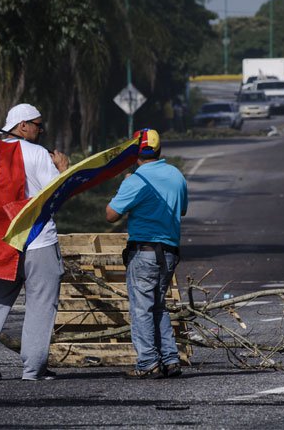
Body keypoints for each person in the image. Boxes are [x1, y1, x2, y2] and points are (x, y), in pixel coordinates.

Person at [0, 103, 69, 382]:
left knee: (0, 300)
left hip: (7, 243)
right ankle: (33, 367)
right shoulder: (38, 154)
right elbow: (54, 196)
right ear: (23, 125)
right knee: (41, 303)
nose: (42, 130)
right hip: (39, 241)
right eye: (38, 125)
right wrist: (64, 170)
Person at [105, 128, 188, 379]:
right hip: (170, 253)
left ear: (135, 154)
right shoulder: (176, 175)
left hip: (145, 252)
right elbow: (181, 210)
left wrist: (124, 185)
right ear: (160, 151)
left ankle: (148, 362)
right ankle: (171, 359)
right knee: (158, 306)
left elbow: (110, 215)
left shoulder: (136, 181)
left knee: (141, 309)